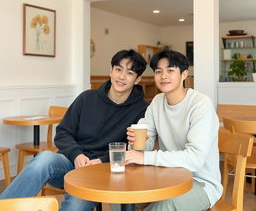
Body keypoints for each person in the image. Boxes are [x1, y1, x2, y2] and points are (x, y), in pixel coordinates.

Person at [0, 49, 149, 211]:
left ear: (137, 79)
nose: (121, 76)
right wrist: (77, 155)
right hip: (72, 164)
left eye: (129, 73)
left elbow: (132, 147)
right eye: (118, 70)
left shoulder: (142, 109)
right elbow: (63, 132)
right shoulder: (87, 98)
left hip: (106, 173)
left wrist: (101, 160)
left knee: (76, 205)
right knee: (44, 158)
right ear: (111, 71)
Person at [126, 50, 222, 211]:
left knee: (164, 205)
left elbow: (195, 159)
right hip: (166, 178)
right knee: (121, 196)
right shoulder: (157, 102)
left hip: (201, 183)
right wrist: (137, 143)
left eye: (170, 70)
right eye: (158, 71)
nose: (163, 76)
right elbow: (145, 145)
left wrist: (146, 157)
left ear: (184, 74)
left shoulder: (200, 104)